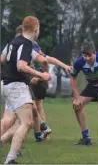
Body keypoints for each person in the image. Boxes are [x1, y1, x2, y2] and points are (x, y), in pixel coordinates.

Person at [1, 16, 51, 164]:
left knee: (13, 120)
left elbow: (3, 59)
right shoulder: (27, 44)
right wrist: (41, 74)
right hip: (16, 86)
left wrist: (42, 62)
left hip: (6, 84)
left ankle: (4, 144)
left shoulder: (13, 42)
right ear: (36, 29)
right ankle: (10, 160)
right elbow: (21, 66)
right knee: (27, 122)